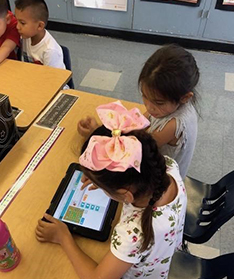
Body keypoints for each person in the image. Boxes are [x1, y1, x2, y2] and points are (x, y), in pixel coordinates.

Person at [36, 101, 187, 279]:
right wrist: (104, 180)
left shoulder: (133, 234)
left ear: (126, 195)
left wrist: (64, 237)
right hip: (164, 250)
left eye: (105, 188)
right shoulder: (168, 167)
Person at [77, 44, 200, 179]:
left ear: (185, 97)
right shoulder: (168, 107)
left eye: (158, 102)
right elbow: (137, 123)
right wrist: (104, 130)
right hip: (151, 157)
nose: (149, 106)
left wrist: (97, 134)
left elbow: (136, 151)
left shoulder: (173, 125)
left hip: (163, 179)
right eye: (144, 96)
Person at [14, 0, 65, 69]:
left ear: (40, 26)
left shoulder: (50, 51)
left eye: (22, 23)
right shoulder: (26, 36)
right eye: (16, 20)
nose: (17, 26)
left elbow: (52, 78)